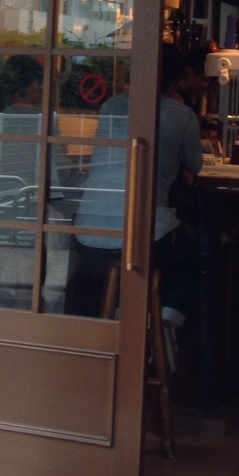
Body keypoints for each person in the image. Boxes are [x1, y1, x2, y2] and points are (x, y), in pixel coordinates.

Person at [70, 44, 203, 319]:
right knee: (192, 243)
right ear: (177, 80)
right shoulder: (182, 115)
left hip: (87, 232)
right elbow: (195, 165)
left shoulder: (110, 106)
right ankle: (167, 320)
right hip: (146, 237)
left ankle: (123, 311)